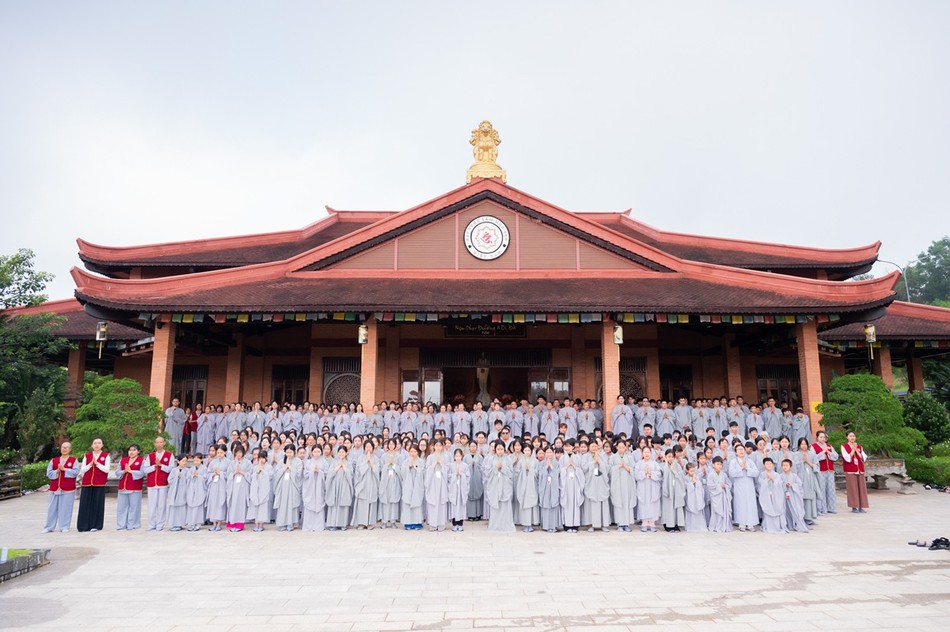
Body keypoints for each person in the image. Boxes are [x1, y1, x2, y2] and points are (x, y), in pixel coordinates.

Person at [44, 441, 80, 533]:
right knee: (52, 508)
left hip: (68, 488)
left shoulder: (73, 460)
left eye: (66, 447)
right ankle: (49, 527)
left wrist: (65, 469)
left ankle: (64, 526)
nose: (64, 449)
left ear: (70, 449)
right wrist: (57, 471)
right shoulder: (54, 460)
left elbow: (76, 472)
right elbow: (49, 473)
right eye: (63, 447)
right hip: (54, 488)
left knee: (66, 508)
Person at [76, 437, 110, 532]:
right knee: (85, 504)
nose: (97, 445)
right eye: (95, 443)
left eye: (99, 443)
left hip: (99, 483)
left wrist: (97, 464)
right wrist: (90, 464)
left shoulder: (106, 456)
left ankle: (96, 525)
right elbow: (82, 470)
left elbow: (106, 469)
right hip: (87, 483)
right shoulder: (87, 456)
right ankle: (83, 525)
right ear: (92, 445)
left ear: (102, 445)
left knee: (97, 504)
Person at [142, 437, 174, 531]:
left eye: (160, 442)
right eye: (157, 442)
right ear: (154, 444)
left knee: (161, 505)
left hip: (163, 483)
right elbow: (145, 469)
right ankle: (151, 524)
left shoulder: (169, 455)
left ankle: (160, 524)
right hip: (152, 484)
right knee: (151, 505)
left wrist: (161, 465)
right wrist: (154, 466)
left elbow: (171, 469)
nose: (159, 444)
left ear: (164, 443)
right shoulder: (150, 456)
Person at [485, 440, 515, 533]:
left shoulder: (508, 459)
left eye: (501, 449)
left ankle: (506, 526)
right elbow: (487, 472)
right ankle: (495, 526)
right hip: (494, 485)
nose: (500, 451)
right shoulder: (491, 459)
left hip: (505, 485)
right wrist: (496, 468)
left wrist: (503, 468)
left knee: (505, 506)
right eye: (498, 449)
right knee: (495, 507)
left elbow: (511, 473)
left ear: (504, 449)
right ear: (495, 449)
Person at [728, 443, 759, 532]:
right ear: (735, 452)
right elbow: (731, 473)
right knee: (740, 503)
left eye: (742, 449)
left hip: (749, 486)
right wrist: (741, 469)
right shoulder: (733, 462)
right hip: (739, 485)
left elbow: (756, 472)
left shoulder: (749, 461)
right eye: (739, 449)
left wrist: (747, 469)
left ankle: (750, 524)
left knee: (750, 503)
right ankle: (742, 524)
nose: (741, 451)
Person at [608, 440, 636, 532]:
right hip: (617, 483)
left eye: (623, 447)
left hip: (627, 483)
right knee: (618, 502)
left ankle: (626, 524)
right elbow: (609, 470)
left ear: (625, 448)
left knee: (626, 502)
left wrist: (626, 467)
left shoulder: (629, 457)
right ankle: (620, 523)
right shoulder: (613, 457)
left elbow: (633, 469)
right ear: (616, 447)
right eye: (619, 447)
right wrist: (619, 466)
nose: (621, 449)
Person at [582, 441, 610, 532]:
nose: (594, 448)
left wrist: (600, 462)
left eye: (595, 446)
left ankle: (603, 524)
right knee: (590, 504)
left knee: (602, 502)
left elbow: (607, 468)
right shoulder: (585, 456)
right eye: (592, 446)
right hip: (591, 483)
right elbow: (583, 468)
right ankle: (590, 524)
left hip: (601, 482)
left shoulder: (603, 456)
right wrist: (593, 462)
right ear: (589, 447)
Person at [273, 444, 302, 531]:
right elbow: (276, 473)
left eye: (290, 452)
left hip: (292, 486)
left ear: (294, 452)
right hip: (283, 486)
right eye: (287, 452)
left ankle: (290, 524)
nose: (288, 454)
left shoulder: (298, 461)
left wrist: (291, 468)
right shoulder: (281, 461)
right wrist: (284, 468)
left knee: (291, 504)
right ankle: (282, 523)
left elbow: (299, 474)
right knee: (282, 505)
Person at [351, 441, 380, 530]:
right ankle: (361, 523)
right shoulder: (360, 458)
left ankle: (370, 523)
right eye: (367, 447)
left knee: (371, 502)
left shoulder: (376, 458)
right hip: (362, 483)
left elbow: (377, 471)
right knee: (362, 503)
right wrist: (365, 462)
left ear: (373, 448)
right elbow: (358, 471)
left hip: (372, 483)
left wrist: (371, 462)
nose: (368, 449)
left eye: (370, 447)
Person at [302, 444, 329, 532]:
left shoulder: (324, 462)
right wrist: (312, 471)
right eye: (315, 451)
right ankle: (309, 526)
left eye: (318, 451)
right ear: (312, 452)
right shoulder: (308, 462)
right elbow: (305, 474)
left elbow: (327, 474)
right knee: (309, 503)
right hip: (310, 487)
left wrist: (319, 471)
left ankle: (318, 526)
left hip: (320, 486)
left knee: (319, 502)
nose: (316, 453)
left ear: (321, 452)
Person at [326, 445, 354, 531]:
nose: (341, 454)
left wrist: (343, 466)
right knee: (334, 504)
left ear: (346, 453)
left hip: (344, 486)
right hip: (334, 486)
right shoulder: (334, 463)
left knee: (343, 504)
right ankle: (333, 524)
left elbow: (351, 474)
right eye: (340, 452)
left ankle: (343, 524)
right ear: (337, 453)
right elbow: (330, 474)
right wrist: (338, 466)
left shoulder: (349, 463)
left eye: (343, 452)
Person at [635, 446, 661, 532]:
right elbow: (636, 475)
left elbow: (659, 474)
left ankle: (652, 523)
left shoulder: (655, 463)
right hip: (643, 486)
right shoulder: (639, 463)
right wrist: (644, 473)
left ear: (651, 453)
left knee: (652, 504)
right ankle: (644, 522)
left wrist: (651, 473)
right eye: (645, 452)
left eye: (648, 452)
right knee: (643, 503)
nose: (646, 454)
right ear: (642, 453)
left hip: (653, 487)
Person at [841, 431, 869, 513]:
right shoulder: (844, 446)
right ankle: (854, 506)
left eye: (853, 436)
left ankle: (861, 506)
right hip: (850, 470)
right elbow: (847, 458)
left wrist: (856, 450)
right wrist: (853, 450)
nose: (852, 437)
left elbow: (863, 457)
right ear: (847, 437)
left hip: (859, 470)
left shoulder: (859, 446)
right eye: (850, 436)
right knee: (852, 488)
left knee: (861, 488)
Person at [757, 458, 787, 534]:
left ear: (773, 465)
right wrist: (767, 480)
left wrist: (773, 479)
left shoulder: (776, 475)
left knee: (776, 508)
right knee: (767, 509)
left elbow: (780, 484)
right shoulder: (762, 474)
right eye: (767, 464)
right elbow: (760, 485)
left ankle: (777, 526)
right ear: (764, 465)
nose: (769, 465)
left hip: (776, 495)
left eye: (770, 464)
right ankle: (767, 526)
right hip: (766, 495)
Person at [225, 445, 251, 532]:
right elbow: (228, 474)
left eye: (240, 452)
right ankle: (232, 523)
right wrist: (235, 472)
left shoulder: (248, 463)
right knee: (233, 504)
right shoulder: (232, 463)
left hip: (243, 486)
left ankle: (240, 524)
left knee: (241, 504)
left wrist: (242, 472)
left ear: (243, 452)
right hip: (234, 486)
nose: (238, 454)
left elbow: (250, 475)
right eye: (237, 452)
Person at [399, 444, 425, 530]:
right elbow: (402, 473)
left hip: (417, 485)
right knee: (407, 502)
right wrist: (408, 467)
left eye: (414, 451)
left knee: (417, 502)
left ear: (418, 452)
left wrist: (417, 468)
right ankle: (408, 522)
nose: (413, 453)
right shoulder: (405, 461)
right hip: (408, 485)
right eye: (411, 451)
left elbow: (423, 473)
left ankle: (417, 523)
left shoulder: (421, 461)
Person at [812, 431, 839, 515]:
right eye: (821, 437)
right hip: (821, 471)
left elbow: (836, 456)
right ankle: (822, 508)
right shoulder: (813, 446)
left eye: (824, 437)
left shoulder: (829, 446)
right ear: (817, 438)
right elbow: (813, 458)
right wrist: (822, 453)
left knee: (831, 489)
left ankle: (831, 508)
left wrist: (828, 452)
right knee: (822, 489)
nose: (823, 439)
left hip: (830, 470)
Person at [660, 449, 686, 532]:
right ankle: (668, 525)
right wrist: (667, 467)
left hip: (676, 490)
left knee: (675, 508)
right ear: (665, 457)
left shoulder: (677, 465)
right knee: (668, 507)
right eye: (669, 456)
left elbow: (682, 477)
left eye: (672, 457)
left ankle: (675, 524)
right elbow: (662, 477)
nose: (670, 458)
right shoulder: (663, 466)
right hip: (667, 490)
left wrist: (674, 471)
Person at [781, 458, 809, 533]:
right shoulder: (780, 476)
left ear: (790, 466)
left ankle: (799, 525)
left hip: (794, 496)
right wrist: (784, 485)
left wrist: (792, 485)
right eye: (783, 465)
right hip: (784, 496)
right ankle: (789, 525)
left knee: (797, 510)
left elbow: (800, 485)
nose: (785, 467)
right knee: (786, 511)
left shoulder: (794, 476)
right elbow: (778, 486)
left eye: (786, 465)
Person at [378, 440, 401, 529]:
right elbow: (381, 468)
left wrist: (394, 465)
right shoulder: (383, 456)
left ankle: (393, 521)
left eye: (393, 444)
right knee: (385, 501)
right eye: (389, 444)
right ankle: (384, 521)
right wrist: (387, 464)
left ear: (395, 445)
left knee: (393, 501)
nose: (391, 445)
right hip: (385, 480)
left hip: (394, 480)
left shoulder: (399, 456)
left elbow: (400, 469)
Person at [706, 456, 732, 532]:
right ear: (713, 465)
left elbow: (729, 484)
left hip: (723, 496)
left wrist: (725, 486)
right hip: (715, 496)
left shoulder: (724, 474)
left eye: (721, 464)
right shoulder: (711, 475)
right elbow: (709, 485)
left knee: (723, 511)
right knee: (716, 512)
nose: (719, 466)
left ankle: (723, 526)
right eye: (717, 464)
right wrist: (718, 486)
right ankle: (715, 526)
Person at [206, 445, 229, 531]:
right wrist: (213, 474)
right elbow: (208, 473)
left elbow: (229, 474)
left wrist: (221, 473)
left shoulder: (228, 462)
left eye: (221, 453)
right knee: (213, 503)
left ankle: (219, 523)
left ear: (225, 452)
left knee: (220, 502)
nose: (219, 454)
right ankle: (214, 523)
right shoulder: (213, 462)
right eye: (218, 452)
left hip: (222, 484)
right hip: (214, 484)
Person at [448, 448, 471, 532]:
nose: (458, 458)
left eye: (459, 456)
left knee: (461, 506)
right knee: (454, 506)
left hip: (461, 490)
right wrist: (455, 475)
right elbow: (448, 477)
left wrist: (461, 474)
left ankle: (460, 524)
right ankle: (454, 524)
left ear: (462, 456)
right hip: (454, 489)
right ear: (454, 457)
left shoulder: (465, 466)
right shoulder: (451, 465)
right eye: (456, 456)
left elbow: (468, 476)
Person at [184, 454, 208, 531]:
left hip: (199, 490)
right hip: (192, 489)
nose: (196, 462)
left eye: (197, 460)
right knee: (191, 506)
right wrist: (192, 476)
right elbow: (187, 477)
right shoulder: (191, 468)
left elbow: (206, 478)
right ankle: (191, 523)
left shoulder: (204, 468)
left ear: (201, 460)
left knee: (198, 507)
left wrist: (198, 476)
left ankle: (198, 524)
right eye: (194, 460)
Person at [166, 455, 190, 531]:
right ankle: (173, 524)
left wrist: (183, 477)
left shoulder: (188, 471)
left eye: (185, 461)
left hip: (183, 491)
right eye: (183, 461)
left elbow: (189, 480)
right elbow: (170, 480)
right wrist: (177, 477)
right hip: (174, 492)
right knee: (173, 508)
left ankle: (180, 524)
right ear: (178, 461)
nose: (184, 462)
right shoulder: (174, 470)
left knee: (181, 508)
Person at [683, 462, 707, 532]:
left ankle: (699, 526)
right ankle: (690, 526)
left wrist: (696, 483)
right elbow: (684, 486)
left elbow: (700, 486)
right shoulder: (685, 478)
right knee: (691, 510)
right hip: (689, 497)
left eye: (694, 471)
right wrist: (691, 483)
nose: (693, 472)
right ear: (687, 470)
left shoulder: (696, 477)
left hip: (697, 498)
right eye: (691, 471)